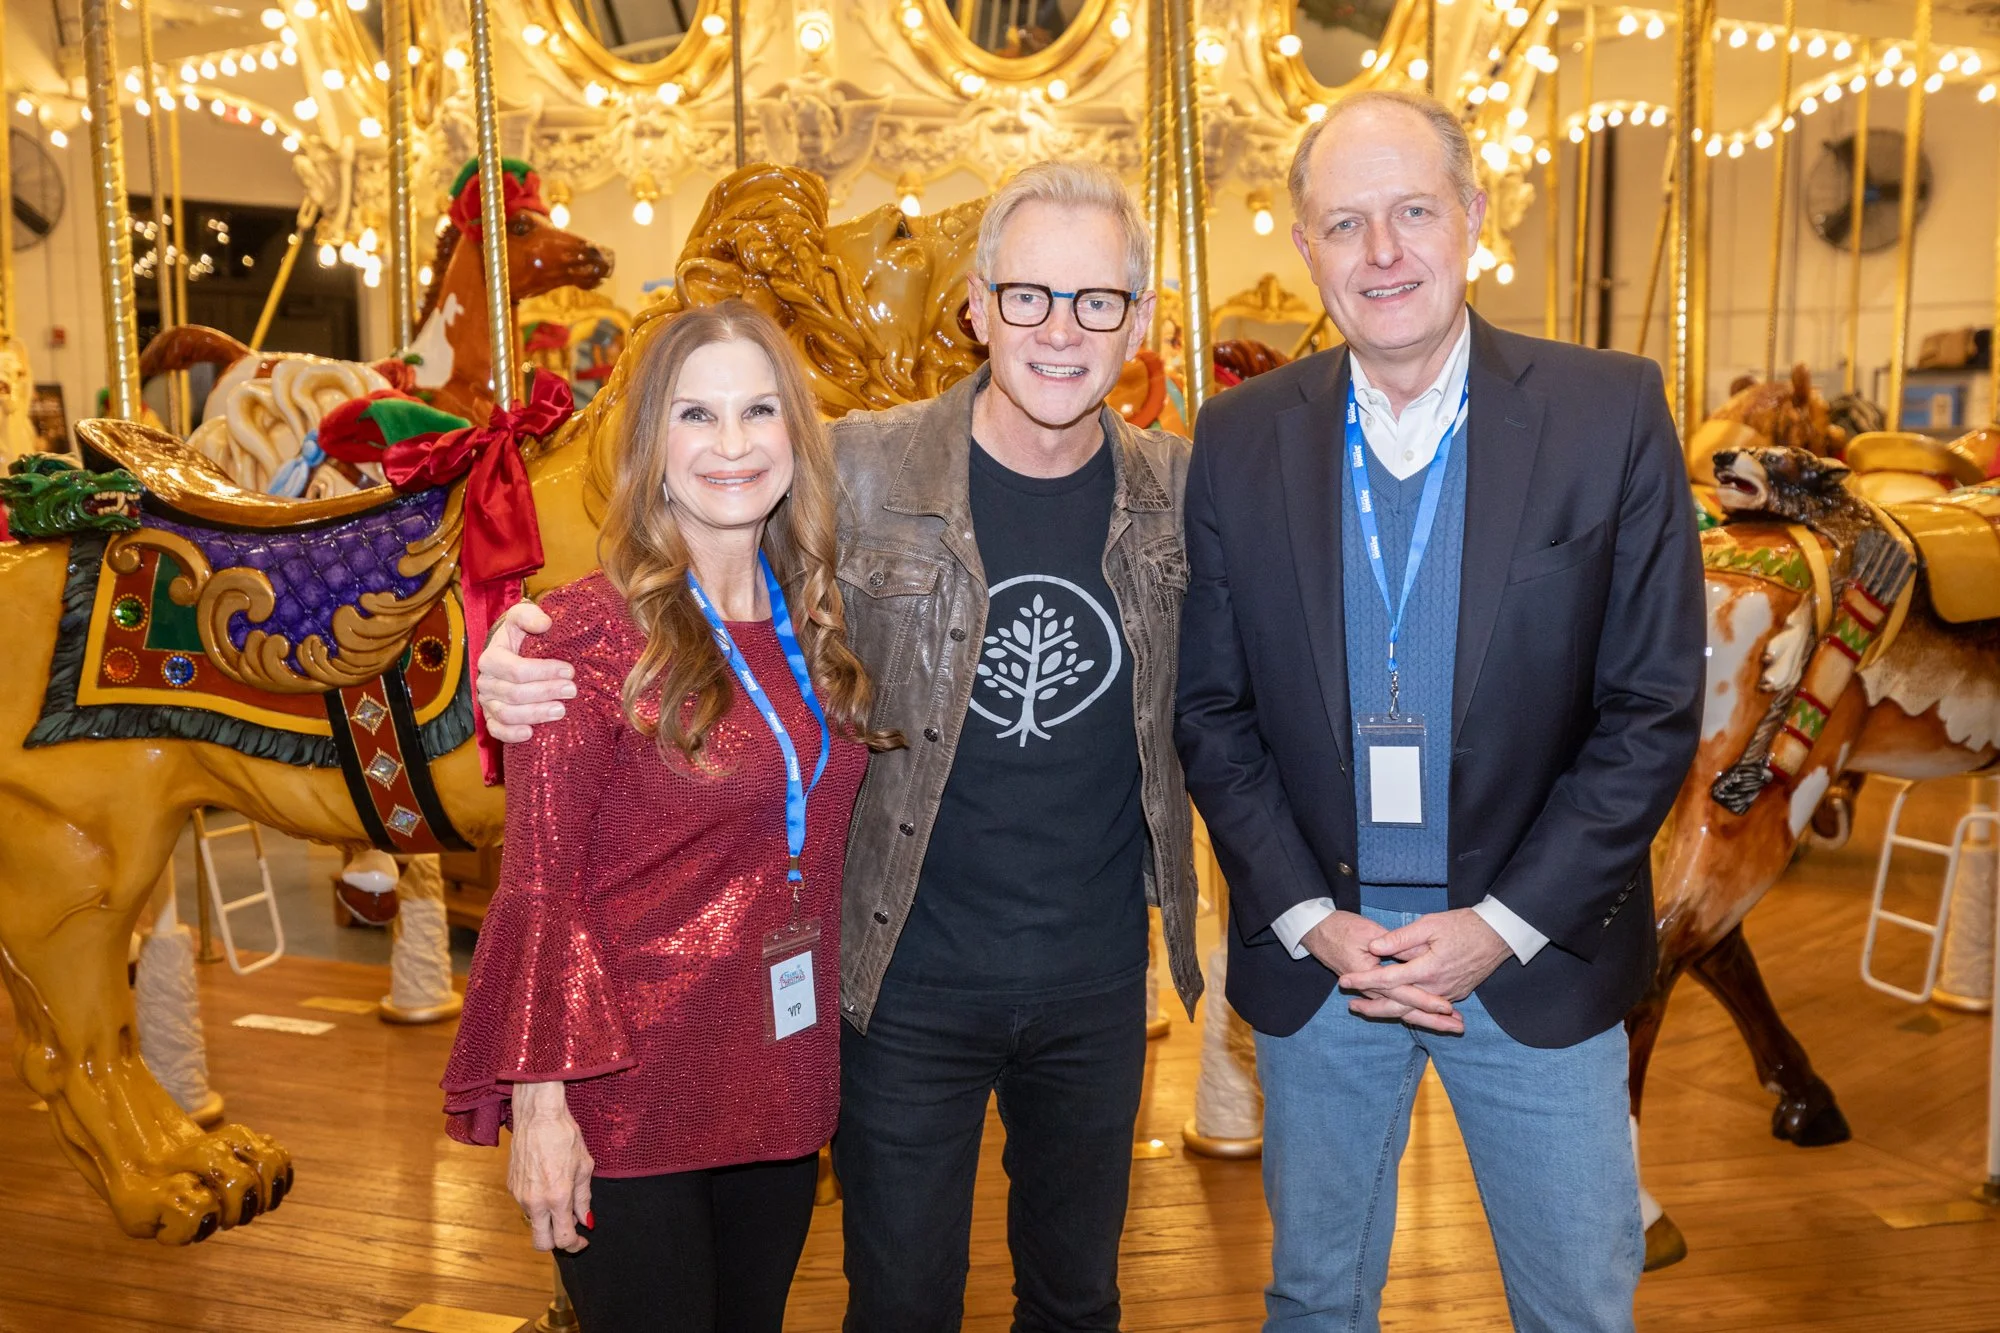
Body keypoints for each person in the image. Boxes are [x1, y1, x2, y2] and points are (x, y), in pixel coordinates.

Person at [474, 161, 1203, 1332]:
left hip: (1095, 979)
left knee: (1078, 1299)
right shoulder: (862, 468)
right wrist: (526, 641)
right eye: (1027, 295)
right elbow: (700, 544)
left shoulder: (1182, 493)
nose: (1059, 329)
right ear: (975, 305)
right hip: (899, 976)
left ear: (1139, 317)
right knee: (899, 1302)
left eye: (1095, 300)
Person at [1175, 90, 1705, 1332]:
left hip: (1533, 957)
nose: (1381, 252)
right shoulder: (1238, 437)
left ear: (1470, 217)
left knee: (1576, 1304)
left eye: (1412, 211)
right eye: (1343, 223)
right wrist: (1309, 918)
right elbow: (1210, 710)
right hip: (1326, 968)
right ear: (1303, 246)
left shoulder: (1606, 411)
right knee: (1314, 1300)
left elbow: (1649, 708)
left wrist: (1498, 925)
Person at [439, 300, 888, 1333]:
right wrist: (540, 1105)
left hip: (779, 1084)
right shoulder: (582, 636)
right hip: (626, 1098)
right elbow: (540, 888)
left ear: (795, 435)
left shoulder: (822, 623)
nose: (732, 443)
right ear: (652, 445)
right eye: (696, 414)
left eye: (759, 410)